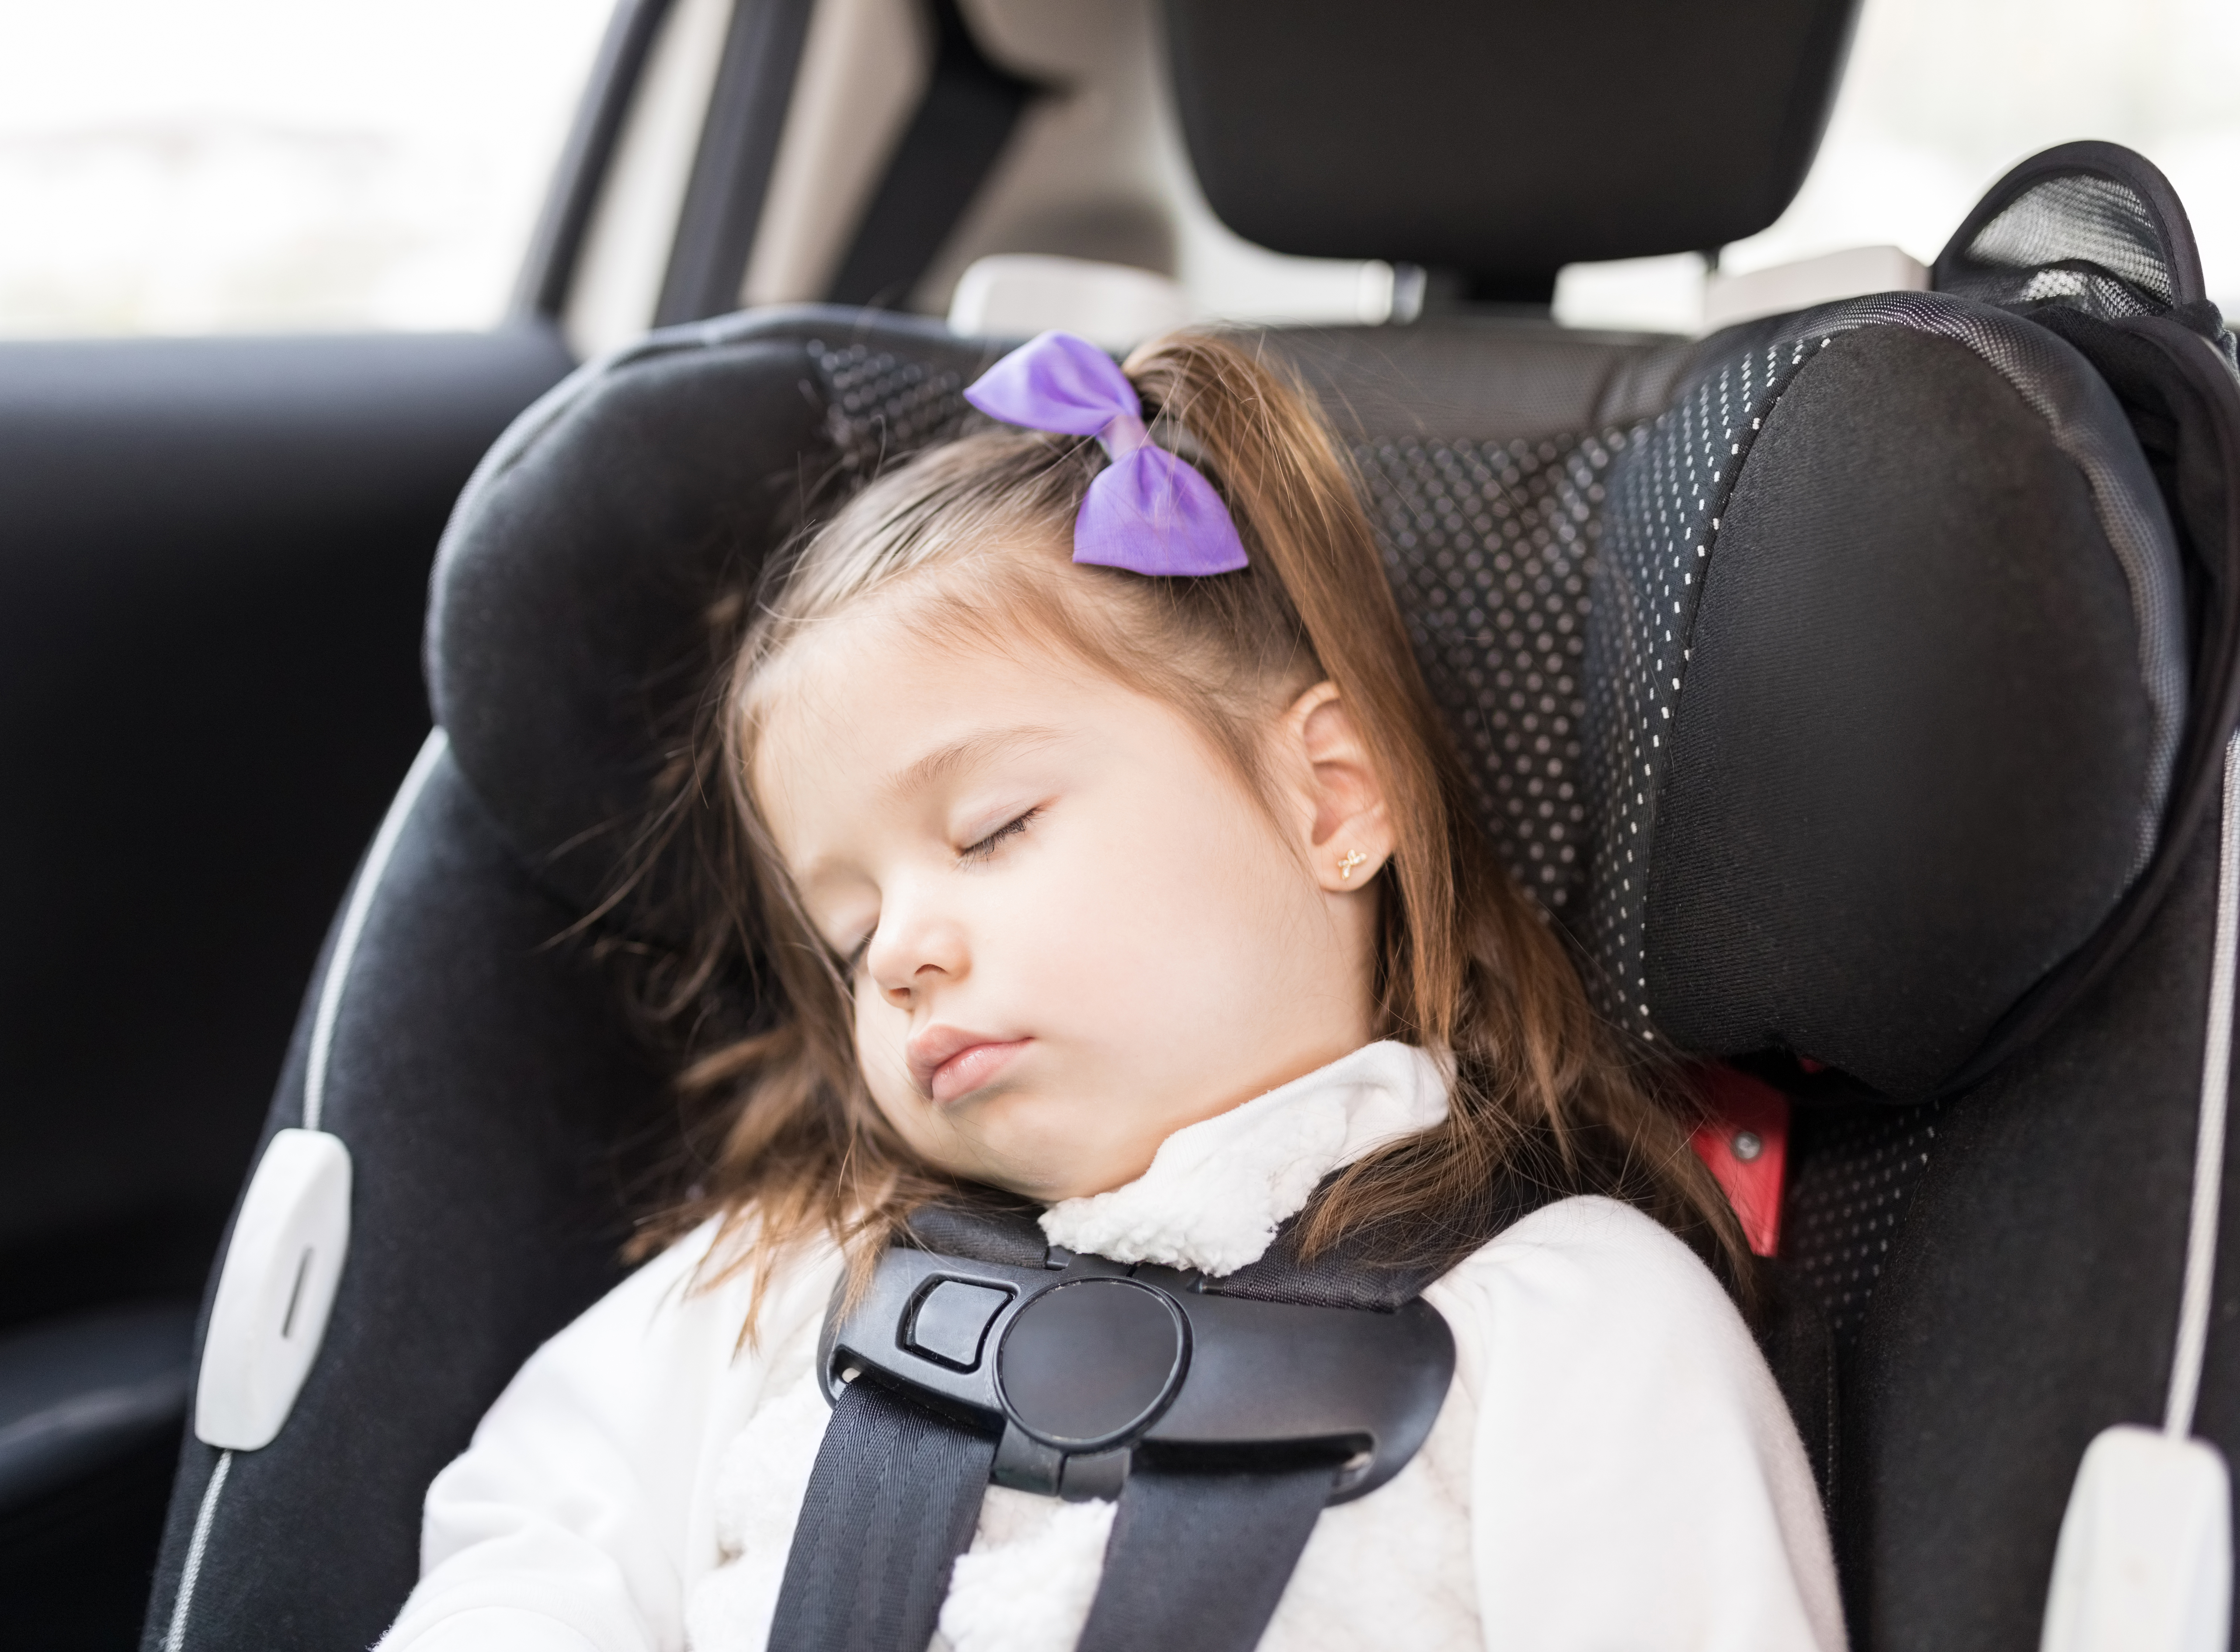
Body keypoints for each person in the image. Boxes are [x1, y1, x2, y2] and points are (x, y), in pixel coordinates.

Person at [375, 330, 1844, 1652]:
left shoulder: (1566, 1321)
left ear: (1331, 793)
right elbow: (532, 1546)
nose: (896, 955)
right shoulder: (799, 1274)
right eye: (845, 928)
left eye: (994, 829)